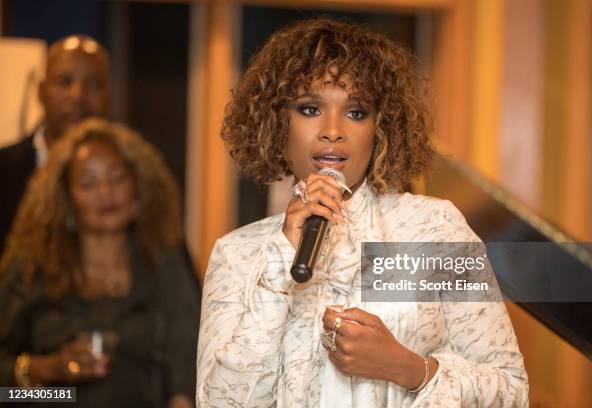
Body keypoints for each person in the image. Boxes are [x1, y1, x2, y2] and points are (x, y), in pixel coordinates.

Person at [196, 18, 529, 407]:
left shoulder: (432, 229)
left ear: (381, 128)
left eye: (356, 112)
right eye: (309, 108)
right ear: (277, 125)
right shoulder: (238, 254)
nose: (333, 130)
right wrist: (279, 262)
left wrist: (404, 367)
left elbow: (511, 391)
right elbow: (220, 403)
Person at [0, 119, 199, 408]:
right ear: (65, 198)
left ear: (138, 186)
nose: (105, 192)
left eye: (117, 178)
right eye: (88, 183)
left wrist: (181, 401)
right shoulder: (31, 266)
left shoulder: (161, 259)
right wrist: (45, 371)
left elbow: (186, 354)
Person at [0, 34, 110, 252]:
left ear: (108, 95)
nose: (77, 96)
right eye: (64, 81)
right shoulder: (3, 171)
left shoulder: (134, 177)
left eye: (93, 83)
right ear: (41, 92)